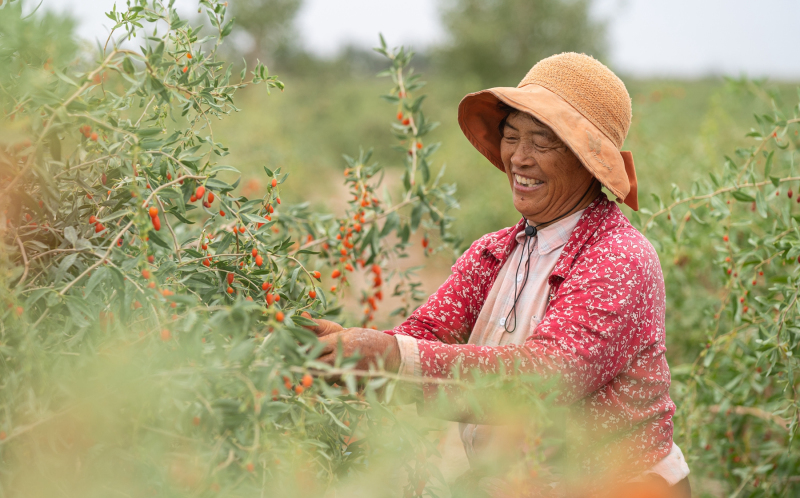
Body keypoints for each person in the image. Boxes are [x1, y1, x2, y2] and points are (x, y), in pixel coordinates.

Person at [310, 53, 690, 498]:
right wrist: (342, 351)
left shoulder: (620, 258)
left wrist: (388, 356)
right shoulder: (493, 253)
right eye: (511, 137)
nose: (519, 158)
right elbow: (425, 336)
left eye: (542, 142)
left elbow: (542, 380)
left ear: (589, 160)